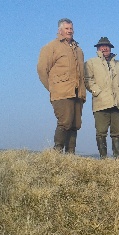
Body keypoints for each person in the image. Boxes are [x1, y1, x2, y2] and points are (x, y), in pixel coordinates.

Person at [37, 18, 86, 154]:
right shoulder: (51, 47)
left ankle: (70, 156)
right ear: (60, 30)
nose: (70, 31)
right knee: (65, 122)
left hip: (78, 93)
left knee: (75, 125)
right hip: (61, 93)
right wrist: (53, 88)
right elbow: (42, 70)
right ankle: (56, 154)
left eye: (71, 28)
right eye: (67, 28)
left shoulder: (79, 50)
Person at [84, 37, 119, 159]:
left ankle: (118, 159)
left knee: (117, 133)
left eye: (107, 46)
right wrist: (97, 92)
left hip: (117, 103)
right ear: (98, 48)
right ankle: (104, 159)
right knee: (101, 133)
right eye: (102, 46)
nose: (104, 48)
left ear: (110, 48)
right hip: (100, 103)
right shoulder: (91, 62)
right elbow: (88, 80)